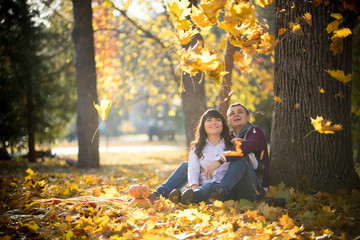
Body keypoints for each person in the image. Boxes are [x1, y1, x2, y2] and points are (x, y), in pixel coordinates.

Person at [148, 103, 270, 204]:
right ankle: (160, 194)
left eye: (240, 112)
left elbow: (248, 158)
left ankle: (202, 194)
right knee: (188, 167)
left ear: (248, 117)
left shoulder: (253, 132)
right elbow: (193, 168)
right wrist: (194, 185)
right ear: (228, 121)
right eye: (232, 113)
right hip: (211, 186)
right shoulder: (223, 139)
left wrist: (224, 158)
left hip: (250, 187)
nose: (236, 114)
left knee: (238, 158)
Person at [167, 109, 234, 204]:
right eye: (209, 120)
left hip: (221, 189)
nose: (214, 123)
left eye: (217, 120)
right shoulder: (197, 146)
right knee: (205, 187)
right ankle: (186, 196)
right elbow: (193, 169)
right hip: (203, 185)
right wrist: (194, 186)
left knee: (209, 187)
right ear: (203, 126)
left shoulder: (231, 145)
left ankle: (184, 196)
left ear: (223, 124)